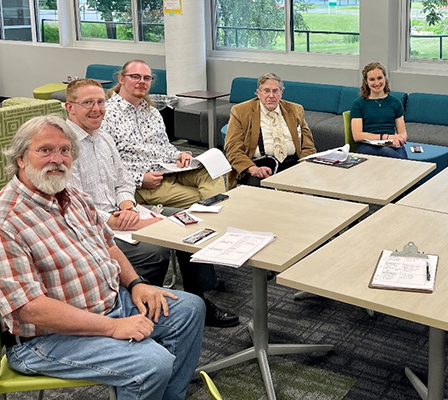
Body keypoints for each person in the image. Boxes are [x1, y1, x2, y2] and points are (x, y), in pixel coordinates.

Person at [0, 115, 205, 399]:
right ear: (21, 159)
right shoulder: (6, 220)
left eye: (64, 151)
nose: (57, 159)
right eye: (45, 150)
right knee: (151, 364)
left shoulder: (72, 195)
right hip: (46, 339)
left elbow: (108, 246)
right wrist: (113, 327)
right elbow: (29, 308)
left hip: (109, 303)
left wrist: (136, 285)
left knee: (190, 309)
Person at [65, 79, 239, 328]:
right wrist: (113, 219)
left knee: (190, 224)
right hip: (93, 226)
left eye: (100, 102)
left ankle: (199, 297)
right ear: (70, 107)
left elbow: (123, 180)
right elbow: (72, 203)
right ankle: (142, 306)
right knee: (155, 251)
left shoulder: (103, 137)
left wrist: (126, 205)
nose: (96, 109)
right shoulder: (64, 147)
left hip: (125, 212)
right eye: (87, 103)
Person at [102, 59, 226, 208]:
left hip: (168, 169)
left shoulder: (152, 112)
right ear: (121, 79)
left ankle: (216, 219)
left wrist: (179, 155)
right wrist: (139, 179)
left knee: (212, 173)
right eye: (135, 76)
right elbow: (105, 164)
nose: (142, 82)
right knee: (203, 199)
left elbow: (164, 146)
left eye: (146, 78)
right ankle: (217, 221)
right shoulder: (106, 114)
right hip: (145, 183)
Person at [224, 72, 316, 187]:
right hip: (259, 166)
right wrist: (252, 168)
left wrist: (301, 167)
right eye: (266, 91)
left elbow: (308, 146)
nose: (271, 96)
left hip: (292, 164)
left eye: (275, 91)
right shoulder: (241, 111)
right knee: (264, 193)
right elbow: (232, 148)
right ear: (258, 93)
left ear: (281, 93)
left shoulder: (295, 110)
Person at [350, 62, 408, 159]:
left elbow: (402, 132)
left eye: (379, 78)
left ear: (385, 78)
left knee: (401, 158)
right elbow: (357, 135)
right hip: (368, 145)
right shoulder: (358, 104)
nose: (377, 83)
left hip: (391, 144)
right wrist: (386, 137)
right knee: (396, 158)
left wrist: (399, 140)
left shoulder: (395, 102)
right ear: (366, 82)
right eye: (372, 79)